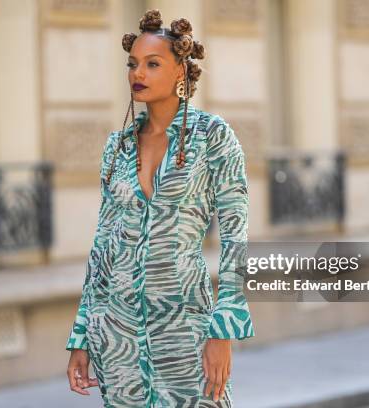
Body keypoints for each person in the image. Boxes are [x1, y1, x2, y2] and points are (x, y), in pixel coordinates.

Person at [65, 9, 255, 407]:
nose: (139, 73)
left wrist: (223, 328)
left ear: (180, 73)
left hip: (187, 328)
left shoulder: (213, 137)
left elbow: (236, 237)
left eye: (153, 64)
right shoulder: (117, 146)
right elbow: (102, 246)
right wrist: (81, 336)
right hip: (116, 336)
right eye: (133, 64)